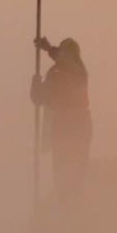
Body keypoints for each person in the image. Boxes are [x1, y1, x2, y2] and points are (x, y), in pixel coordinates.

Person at [31, 36, 92, 202]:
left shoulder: (77, 71)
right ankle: (65, 199)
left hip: (73, 124)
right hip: (67, 125)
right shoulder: (62, 73)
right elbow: (40, 98)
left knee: (73, 167)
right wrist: (36, 84)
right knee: (63, 167)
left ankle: (72, 199)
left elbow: (66, 62)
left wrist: (49, 48)